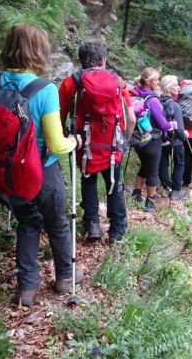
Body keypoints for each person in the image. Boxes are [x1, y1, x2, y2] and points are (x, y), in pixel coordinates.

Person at [0, 24, 81, 307]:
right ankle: (65, 277)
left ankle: (27, 287)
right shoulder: (45, 90)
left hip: (7, 172)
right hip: (41, 171)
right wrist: (74, 142)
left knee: (28, 222)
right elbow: (57, 144)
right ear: (39, 51)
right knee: (56, 223)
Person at [59, 42, 136, 244]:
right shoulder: (118, 82)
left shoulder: (72, 82)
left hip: (85, 145)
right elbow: (131, 118)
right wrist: (125, 141)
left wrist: (65, 134)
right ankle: (117, 232)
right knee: (114, 184)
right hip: (112, 145)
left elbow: (61, 113)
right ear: (103, 60)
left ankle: (92, 224)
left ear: (81, 61)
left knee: (88, 181)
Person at [130, 67, 177, 211]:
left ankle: (136, 193)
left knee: (145, 164)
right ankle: (150, 202)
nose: (158, 82)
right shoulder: (153, 100)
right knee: (153, 170)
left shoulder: (133, 95)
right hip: (152, 139)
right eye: (156, 79)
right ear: (149, 81)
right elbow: (163, 124)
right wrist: (173, 124)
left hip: (137, 139)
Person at [158, 75, 188, 200]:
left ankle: (166, 187)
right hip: (175, 140)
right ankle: (176, 190)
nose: (179, 87)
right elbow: (179, 130)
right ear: (170, 88)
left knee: (163, 162)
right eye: (176, 85)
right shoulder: (175, 106)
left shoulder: (157, 101)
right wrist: (185, 137)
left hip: (160, 139)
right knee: (180, 162)